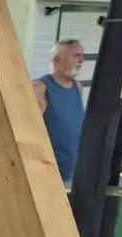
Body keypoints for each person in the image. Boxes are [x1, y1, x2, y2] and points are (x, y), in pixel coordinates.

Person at [34, 39, 86, 188]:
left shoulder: (78, 87)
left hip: (73, 169)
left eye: (82, 56)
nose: (81, 60)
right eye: (76, 56)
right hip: (50, 173)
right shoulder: (39, 88)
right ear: (57, 59)